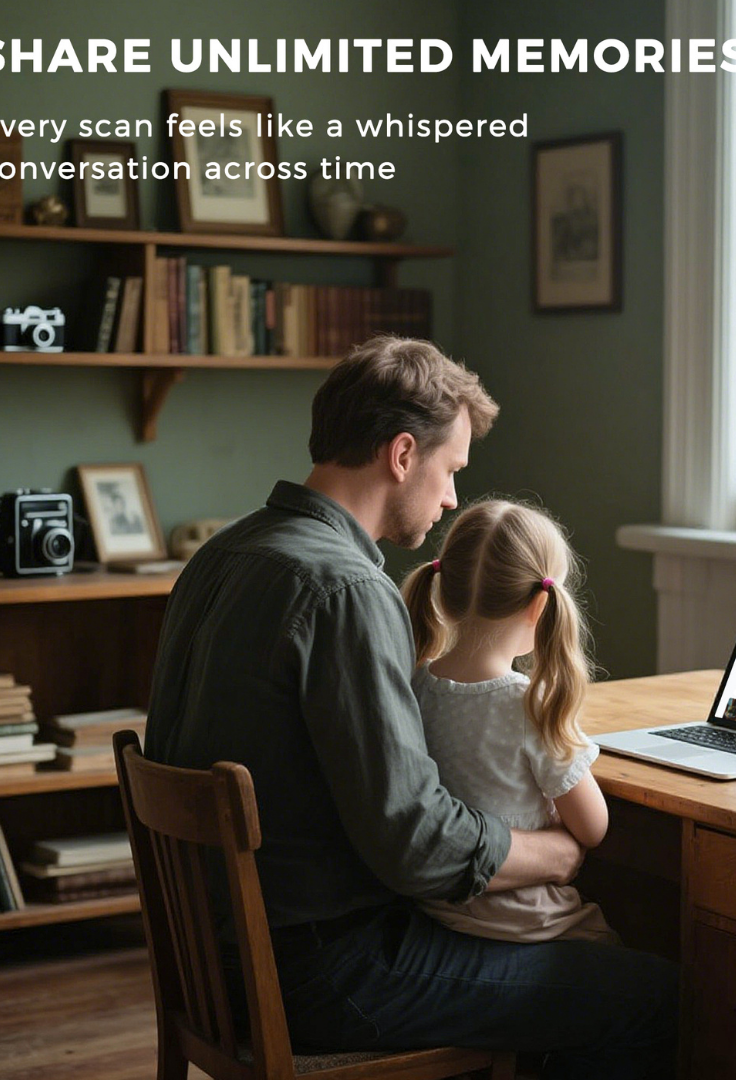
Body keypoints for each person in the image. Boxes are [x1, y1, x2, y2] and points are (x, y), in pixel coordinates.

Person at [144, 336, 678, 1079]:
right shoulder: (345, 591)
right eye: (451, 469)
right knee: (648, 991)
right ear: (402, 455)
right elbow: (416, 841)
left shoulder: (222, 555)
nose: (454, 497)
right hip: (320, 975)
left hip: (214, 958)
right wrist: (551, 854)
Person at [401, 499, 617, 945]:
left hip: (436, 913)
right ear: (541, 605)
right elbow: (593, 828)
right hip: (528, 924)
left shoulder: (416, 686)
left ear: (444, 589)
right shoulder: (528, 705)